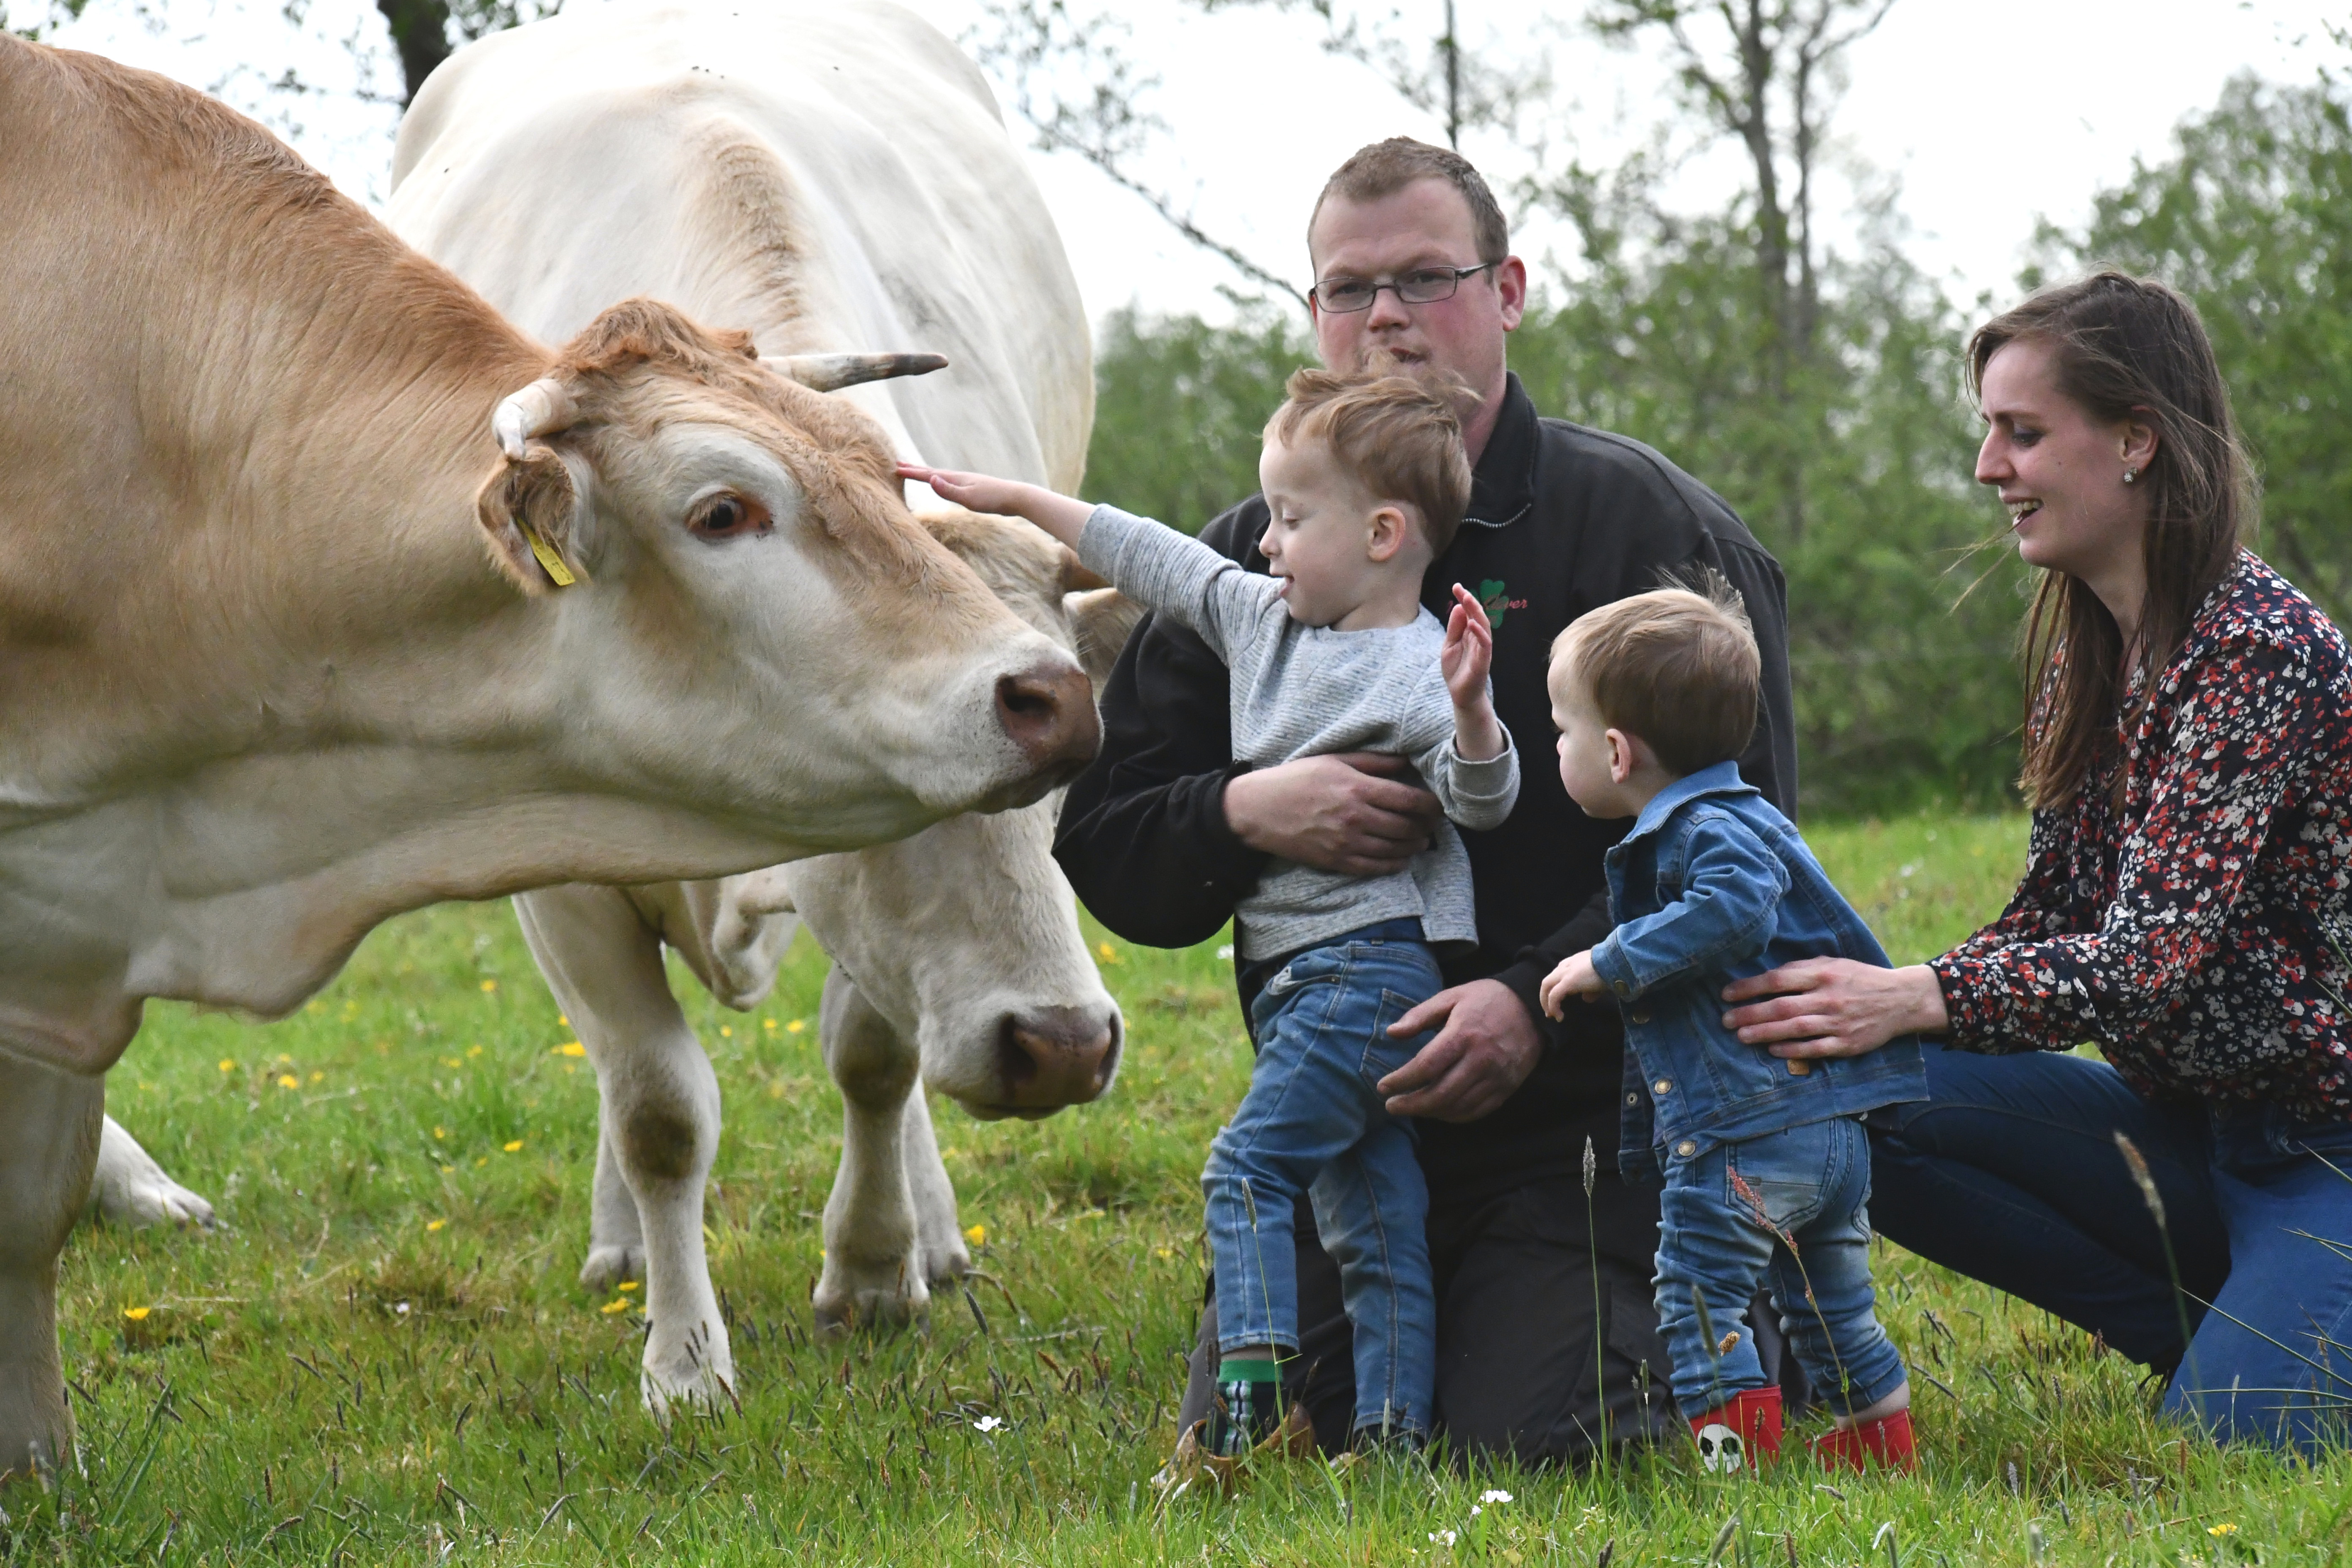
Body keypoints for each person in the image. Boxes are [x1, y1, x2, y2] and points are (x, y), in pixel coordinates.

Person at [1052, 136, 1799, 1463]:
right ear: (1313, 316)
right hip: (1348, 1115)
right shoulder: (1250, 564)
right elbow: (1107, 843)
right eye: (1348, 290)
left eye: (1423, 280)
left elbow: (1751, 857)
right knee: (1262, 1447)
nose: (1384, 318)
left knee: (1534, 1447)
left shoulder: (1644, 532)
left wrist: (1533, 998)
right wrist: (1245, 812)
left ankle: (1742, 1294)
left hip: (1595, 1129)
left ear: (1507, 291)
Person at [1720, 271, 2352, 1455]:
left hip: (2329, 1148)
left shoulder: (2263, 653)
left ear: (2134, 442)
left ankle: (2266, 1345)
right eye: (1988, 432)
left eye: (2022, 432)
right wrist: (1860, 1005)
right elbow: (2053, 912)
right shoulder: (2093, 652)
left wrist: (1918, 993)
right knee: (1861, 1100)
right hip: (2188, 1135)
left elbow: (2149, 961)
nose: (1987, 467)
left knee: (2215, 1451)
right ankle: (2219, 1326)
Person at [900, 369, 1521, 1457]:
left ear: (1383, 533)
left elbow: (1487, 804)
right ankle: (1388, 1437)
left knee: (1245, 1169)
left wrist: (1474, 710)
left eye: (1289, 518)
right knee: (1373, 1221)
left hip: (1368, 971)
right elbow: (1152, 553)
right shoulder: (1262, 620)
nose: (1266, 543)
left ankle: (1253, 1389)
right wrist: (1009, 498)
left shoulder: (1427, 670)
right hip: (1292, 988)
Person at [1539, 583, 1923, 1473]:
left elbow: (1736, 908)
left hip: (1750, 1140)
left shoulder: (1707, 832)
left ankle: (1734, 1472)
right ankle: (1882, 1452)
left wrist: (1613, 955)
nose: (1558, 746)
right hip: (1825, 1137)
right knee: (1828, 1310)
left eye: (1561, 730)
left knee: (1698, 1304)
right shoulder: (1747, 814)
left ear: (1615, 750)